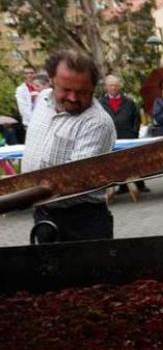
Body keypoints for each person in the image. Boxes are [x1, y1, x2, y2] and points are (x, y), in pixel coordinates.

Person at [21, 50, 116, 242]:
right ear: (51, 81)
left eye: (82, 92)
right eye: (66, 89)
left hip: (81, 222)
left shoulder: (96, 122)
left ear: (93, 88)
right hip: (44, 214)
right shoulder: (43, 99)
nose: (73, 98)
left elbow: (71, 182)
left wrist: (15, 197)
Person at [98, 74, 149, 194]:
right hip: (110, 138)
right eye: (111, 85)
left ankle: (140, 184)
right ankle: (122, 186)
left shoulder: (129, 102)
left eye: (115, 85)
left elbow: (136, 118)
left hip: (128, 136)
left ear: (119, 86)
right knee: (116, 163)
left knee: (133, 161)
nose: (113, 88)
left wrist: (134, 132)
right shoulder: (100, 103)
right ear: (106, 87)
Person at [14, 65, 38, 139]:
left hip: (44, 121)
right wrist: (35, 122)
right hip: (30, 123)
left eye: (31, 73)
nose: (29, 75)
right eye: (26, 73)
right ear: (23, 75)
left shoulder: (40, 87)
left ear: (35, 74)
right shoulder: (21, 90)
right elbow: (23, 110)